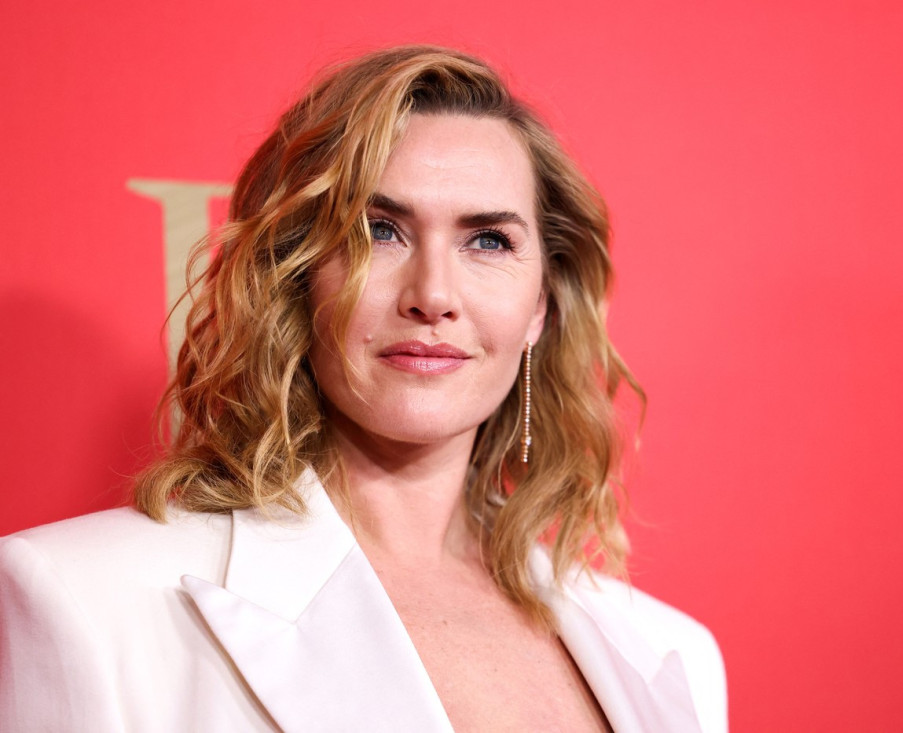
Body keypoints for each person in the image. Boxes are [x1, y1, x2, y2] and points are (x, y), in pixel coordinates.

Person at [0, 45, 727, 732]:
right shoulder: (82, 600)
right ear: (294, 278)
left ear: (540, 305)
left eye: (488, 241)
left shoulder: (674, 655)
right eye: (377, 231)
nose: (433, 295)